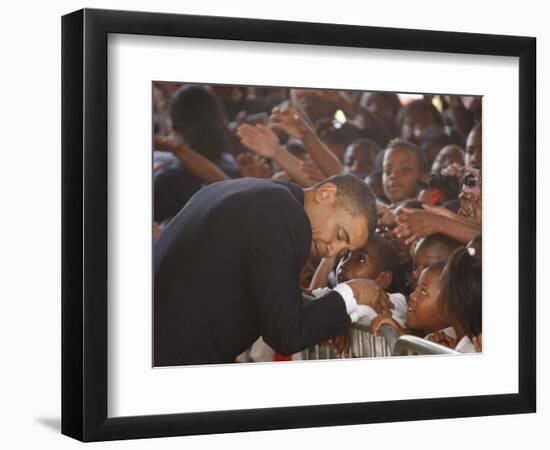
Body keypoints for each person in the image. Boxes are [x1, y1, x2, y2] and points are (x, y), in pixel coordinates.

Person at [154, 174, 388, 366]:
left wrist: (335, 316)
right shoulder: (286, 217)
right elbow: (286, 333)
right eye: (339, 235)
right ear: (326, 194)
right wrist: (352, 293)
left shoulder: (251, 192)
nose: (332, 251)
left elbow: (263, 294)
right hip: (172, 360)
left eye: (343, 250)